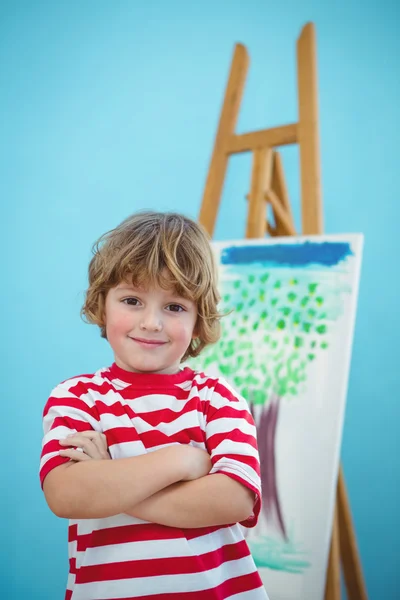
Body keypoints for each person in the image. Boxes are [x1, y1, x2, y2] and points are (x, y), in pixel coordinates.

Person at [40, 211, 269, 600]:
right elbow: (66, 494)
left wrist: (110, 480)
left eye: (175, 307)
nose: (151, 322)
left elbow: (234, 498)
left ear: (198, 320)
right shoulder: (78, 398)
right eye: (132, 300)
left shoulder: (216, 396)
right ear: (102, 304)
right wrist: (182, 460)